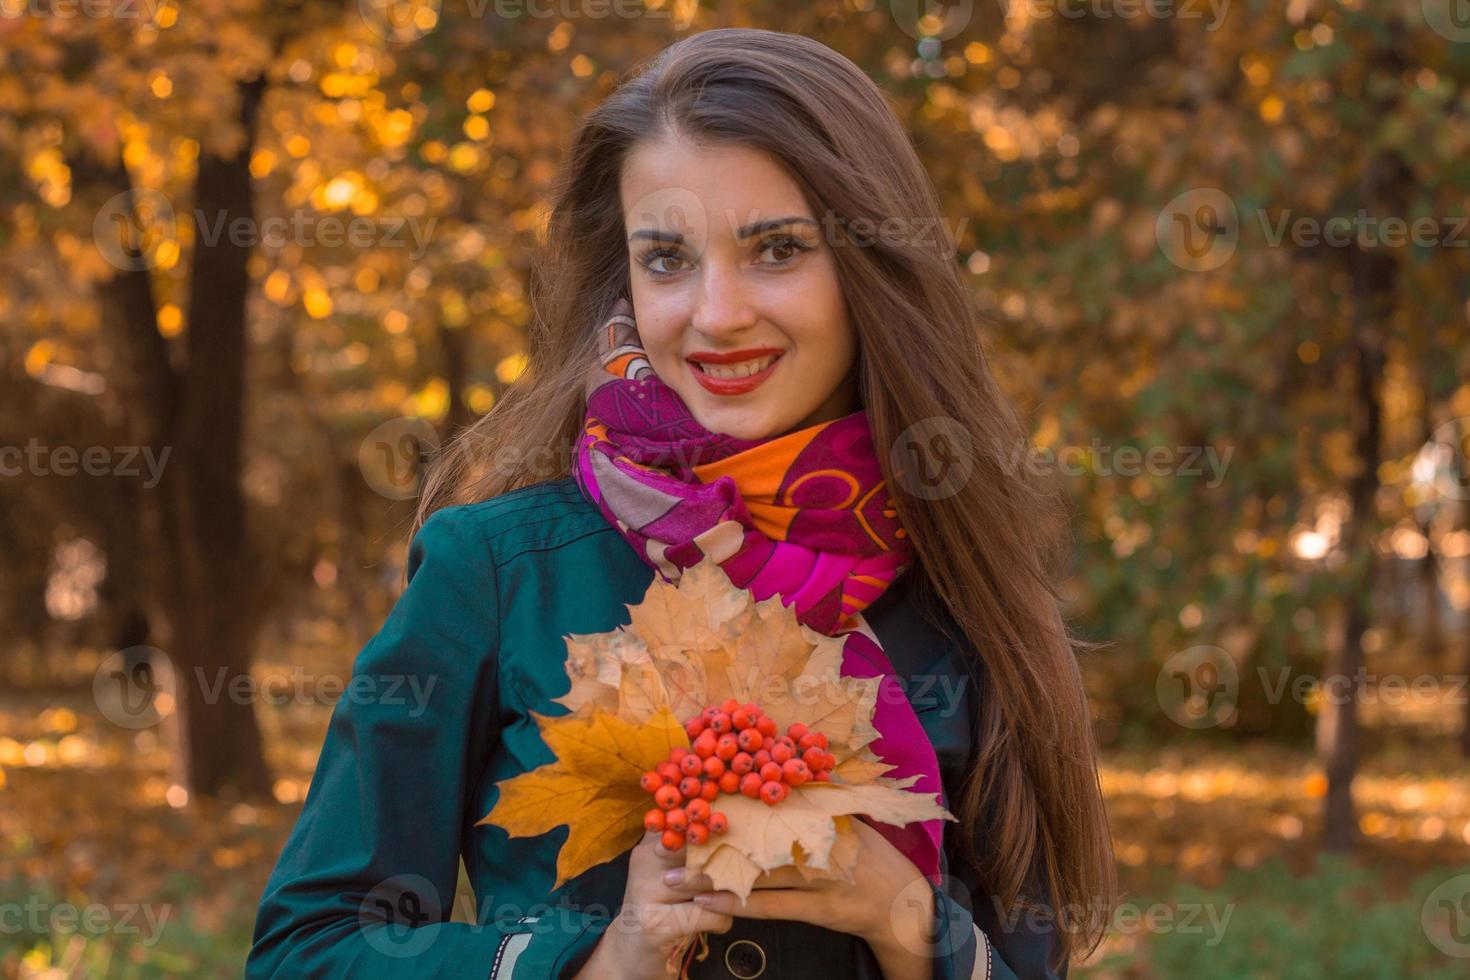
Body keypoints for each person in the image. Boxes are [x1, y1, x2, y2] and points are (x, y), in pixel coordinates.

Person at [248, 27, 1116, 980]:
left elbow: (1034, 956)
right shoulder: (497, 572)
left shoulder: (968, 581)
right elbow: (309, 950)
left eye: (776, 249)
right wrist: (596, 963)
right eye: (666, 259)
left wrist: (911, 921)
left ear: (873, 267)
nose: (717, 312)